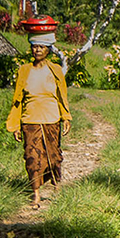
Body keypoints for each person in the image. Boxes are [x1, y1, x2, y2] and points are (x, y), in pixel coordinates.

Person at [5, 33, 71, 209]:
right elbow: (17, 99)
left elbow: (61, 96)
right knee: (32, 158)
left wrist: (65, 117)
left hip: (51, 120)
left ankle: (56, 184)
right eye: (35, 46)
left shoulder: (55, 70)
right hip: (30, 120)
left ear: (48, 49)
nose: (38, 50)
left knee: (54, 157)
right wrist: (16, 124)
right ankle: (36, 195)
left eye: (41, 47)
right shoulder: (24, 71)